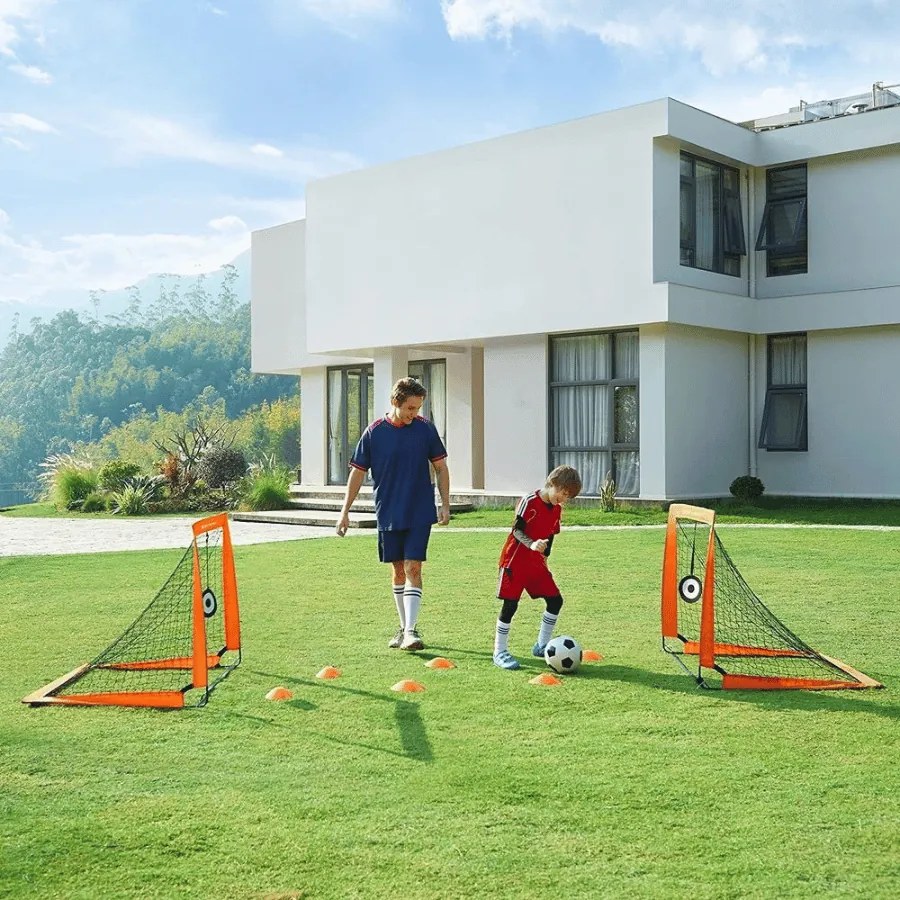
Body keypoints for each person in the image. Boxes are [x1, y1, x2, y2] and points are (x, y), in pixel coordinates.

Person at [336, 376, 450, 651]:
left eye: (418, 408)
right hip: (388, 511)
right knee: (398, 571)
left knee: (414, 566)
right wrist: (344, 512)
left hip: (420, 510)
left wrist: (445, 503)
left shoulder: (425, 429)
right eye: (410, 408)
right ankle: (403, 627)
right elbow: (357, 473)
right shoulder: (374, 432)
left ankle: (411, 631)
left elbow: (441, 468)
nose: (415, 413)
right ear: (395, 402)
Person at [492, 464, 582, 670]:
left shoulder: (557, 509)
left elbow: (550, 534)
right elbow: (517, 530)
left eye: (568, 497)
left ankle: (541, 645)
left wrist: (545, 552)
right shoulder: (529, 501)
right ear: (552, 483)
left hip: (536, 565)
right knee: (510, 606)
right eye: (563, 493)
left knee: (555, 601)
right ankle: (499, 651)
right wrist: (532, 544)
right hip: (514, 563)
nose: (564, 499)